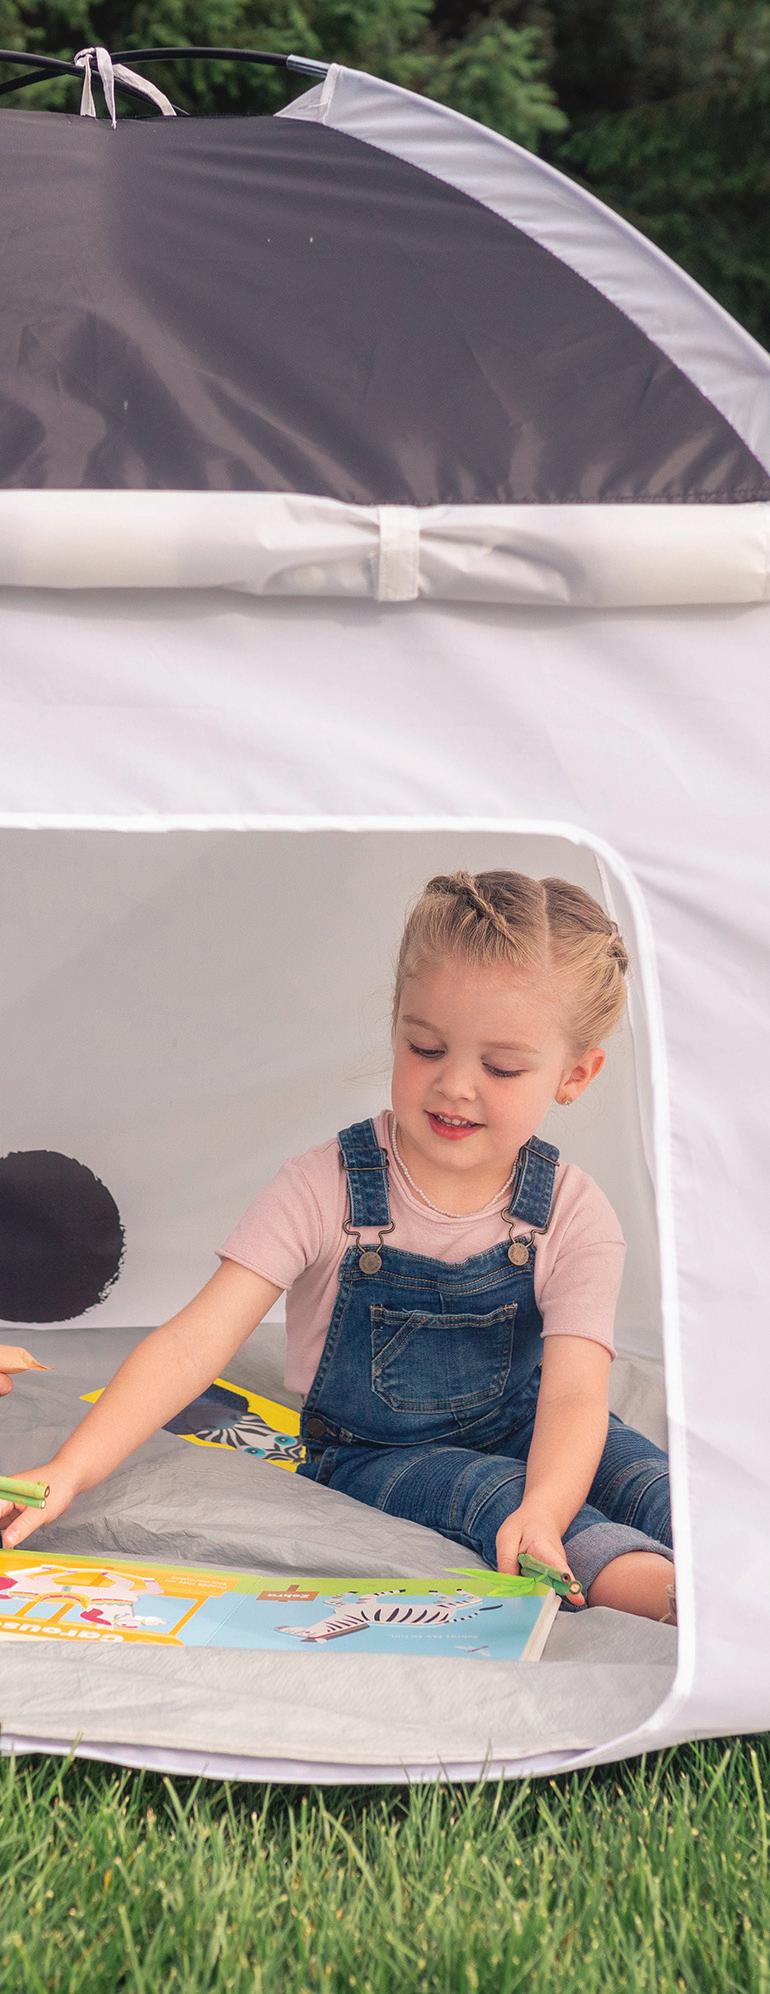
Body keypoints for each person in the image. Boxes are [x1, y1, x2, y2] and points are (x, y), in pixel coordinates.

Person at [0, 870, 676, 1625]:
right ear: (396, 1026)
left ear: (575, 1075)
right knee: (501, 1502)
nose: (455, 1085)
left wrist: (552, 1494)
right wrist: (70, 1469)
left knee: (652, 1480)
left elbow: (575, 1395)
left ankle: (732, 1574)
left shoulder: (572, 1212)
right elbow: (193, 1343)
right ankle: (680, 1603)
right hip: (381, 1454)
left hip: (534, 1420)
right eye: (425, 1047)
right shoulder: (323, 1188)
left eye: (501, 1067)